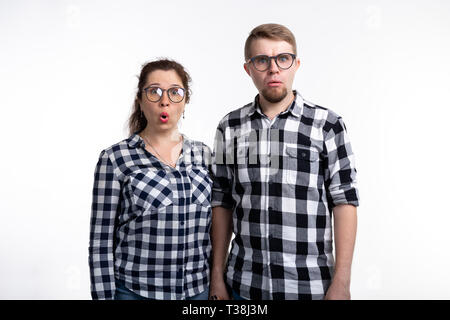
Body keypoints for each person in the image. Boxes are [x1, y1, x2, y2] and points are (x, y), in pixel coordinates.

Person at [209, 23, 360, 300]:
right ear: (249, 69)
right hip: (243, 286)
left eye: (283, 58)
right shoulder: (229, 127)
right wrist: (216, 277)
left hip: (310, 288)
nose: (273, 69)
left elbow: (344, 201)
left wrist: (342, 281)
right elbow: (222, 204)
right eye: (262, 60)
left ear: (296, 64)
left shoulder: (327, 125)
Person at [89, 59, 213, 300]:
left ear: (185, 101)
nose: (164, 101)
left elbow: (217, 230)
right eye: (154, 91)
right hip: (136, 293)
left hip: (197, 293)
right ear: (140, 101)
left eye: (175, 92)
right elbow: (100, 242)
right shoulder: (115, 159)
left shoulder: (205, 155)